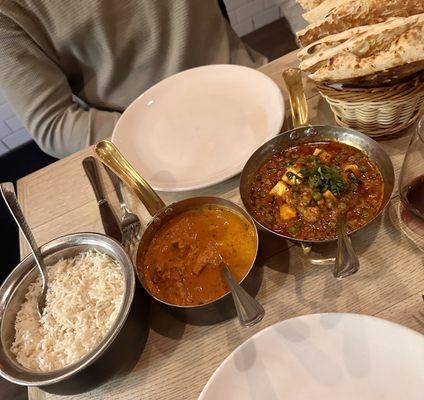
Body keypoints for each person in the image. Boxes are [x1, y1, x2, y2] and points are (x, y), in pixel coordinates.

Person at [0, 0, 265, 159]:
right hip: (152, 148)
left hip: (252, 88)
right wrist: (165, 133)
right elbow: (54, 124)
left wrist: (307, 41)